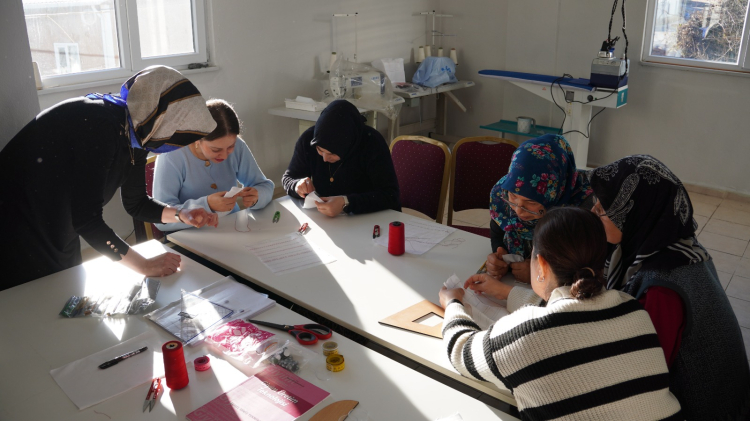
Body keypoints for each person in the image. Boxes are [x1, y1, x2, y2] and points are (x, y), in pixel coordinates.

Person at [440, 207, 682, 420]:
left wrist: (452, 303)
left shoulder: (525, 332)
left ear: (542, 265)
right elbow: (571, 309)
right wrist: (508, 292)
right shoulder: (633, 309)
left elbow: (461, 351)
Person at [0, 66, 219, 290]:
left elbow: (137, 204)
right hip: (18, 231)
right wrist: (144, 265)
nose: (176, 146)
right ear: (165, 121)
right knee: (35, 302)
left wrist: (182, 214)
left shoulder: (138, 131)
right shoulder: (99, 126)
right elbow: (87, 221)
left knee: (65, 296)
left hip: (58, 227)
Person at [589, 155, 750, 420]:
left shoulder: (661, 288)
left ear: (635, 213)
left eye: (603, 208)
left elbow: (643, 372)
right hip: (732, 395)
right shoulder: (682, 247)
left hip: (706, 409)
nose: (594, 212)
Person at [153, 99, 274, 232]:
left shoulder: (238, 146)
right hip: (190, 235)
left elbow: (264, 186)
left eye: (230, 147)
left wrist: (257, 197)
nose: (225, 156)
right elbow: (160, 217)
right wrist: (207, 205)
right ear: (197, 139)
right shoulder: (171, 155)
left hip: (232, 227)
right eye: (216, 150)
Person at [485, 134, 592, 283]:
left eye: (531, 202)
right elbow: (497, 229)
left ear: (554, 192)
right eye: (513, 196)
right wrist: (499, 257)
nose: (518, 211)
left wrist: (542, 275)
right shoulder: (505, 192)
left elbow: (586, 272)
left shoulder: (582, 214)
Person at [281, 99, 400, 216]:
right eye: (320, 150)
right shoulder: (309, 139)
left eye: (332, 153)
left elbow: (390, 195)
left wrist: (346, 202)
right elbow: (288, 178)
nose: (324, 159)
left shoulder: (372, 143)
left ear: (348, 146)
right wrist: (297, 185)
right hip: (326, 219)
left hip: (369, 218)